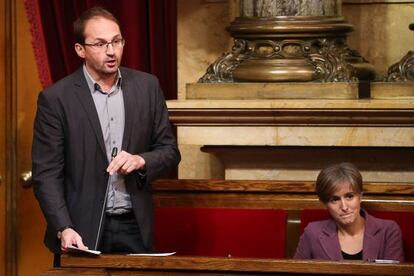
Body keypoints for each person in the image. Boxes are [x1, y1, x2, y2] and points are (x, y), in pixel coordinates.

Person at [32, 6, 180, 263]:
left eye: (116, 41)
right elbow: (46, 174)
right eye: (100, 44)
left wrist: (141, 160)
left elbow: (169, 151)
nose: (111, 51)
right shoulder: (56, 99)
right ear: (80, 50)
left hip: (135, 224)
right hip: (80, 230)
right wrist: (63, 227)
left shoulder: (147, 87)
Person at [294, 162, 404, 262]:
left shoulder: (388, 231)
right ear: (325, 203)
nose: (344, 207)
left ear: (360, 196)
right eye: (335, 199)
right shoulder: (313, 232)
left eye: (349, 196)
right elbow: (296, 272)